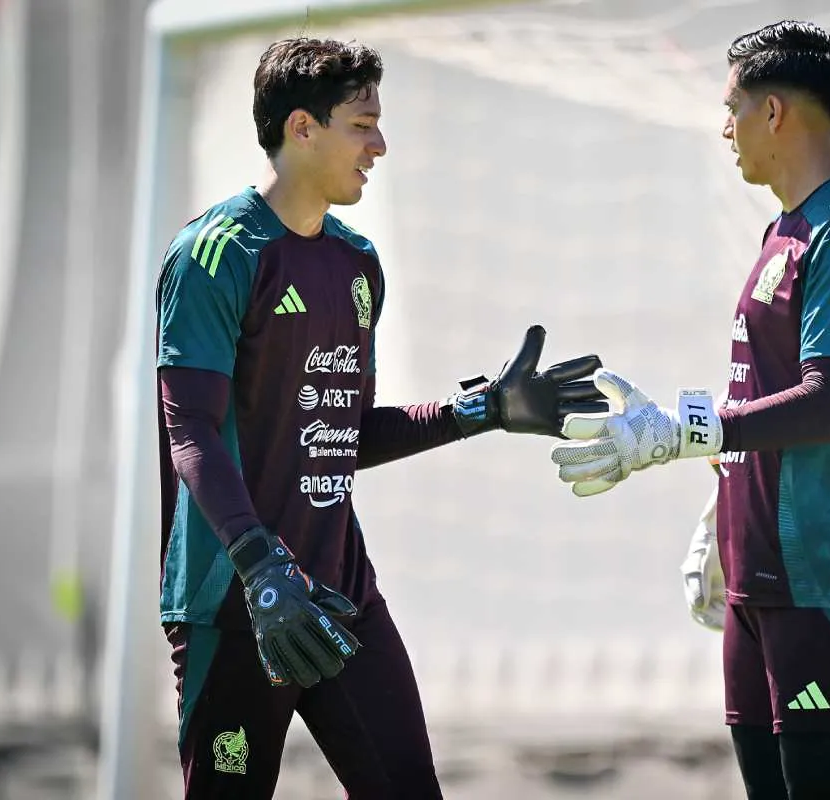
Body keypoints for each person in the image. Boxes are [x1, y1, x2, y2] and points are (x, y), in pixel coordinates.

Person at [155, 37, 606, 799]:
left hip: (341, 598)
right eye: (363, 125)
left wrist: (481, 410)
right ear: (303, 128)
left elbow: (346, 435)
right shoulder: (216, 253)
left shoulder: (356, 262)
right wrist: (262, 569)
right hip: (237, 602)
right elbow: (190, 431)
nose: (380, 145)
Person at [551, 20, 830, 800]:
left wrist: (685, 430)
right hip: (757, 577)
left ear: (773, 112)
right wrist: (726, 502)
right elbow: (763, 395)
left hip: (822, 581)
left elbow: (828, 405)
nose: (725, 127)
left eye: (732, 107)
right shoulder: (781, 231)